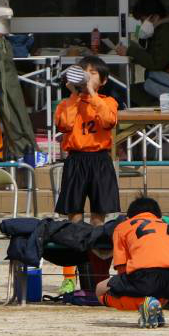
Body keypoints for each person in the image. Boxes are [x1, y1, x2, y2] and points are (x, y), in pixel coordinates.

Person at [95, 197, 169, 328]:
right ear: (159, 217)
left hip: (145, 276)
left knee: (100, 290)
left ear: (128, 217)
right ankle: (155, 306)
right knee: (163, 287)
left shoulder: (122, 227)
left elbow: (122, 270)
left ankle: (144, 303)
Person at [54, 56, 120, 224]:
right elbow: (64, 125)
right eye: (84, 72)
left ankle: (96, 239)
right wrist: (74, 95)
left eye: (93, 73)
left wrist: (91, 92)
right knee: (74, 213)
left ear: (103, 80)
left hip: (100, 159)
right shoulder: (67, 103)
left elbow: (108, 121)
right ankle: (76, 239)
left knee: (99, 214)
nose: (87, 76)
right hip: (76, 159)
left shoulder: (108, 102)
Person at [122, 0, 169, 107]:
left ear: (155, 17)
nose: (141, 25)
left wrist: (131, 51)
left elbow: (156, 63)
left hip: (164, 87)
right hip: (162, 83)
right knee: (125, 90)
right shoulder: (164, 30)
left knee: (122, 92)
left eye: (142, 20)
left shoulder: (168, 32)